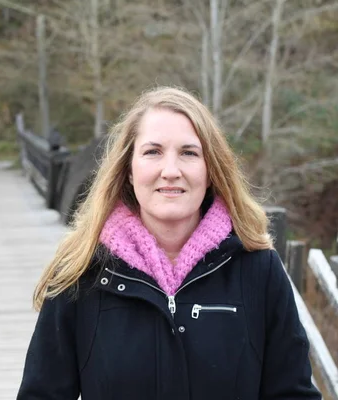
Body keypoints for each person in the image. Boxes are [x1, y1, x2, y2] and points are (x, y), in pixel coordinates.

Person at [16, 86, 321, 399]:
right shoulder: (82, 271)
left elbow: (292, 393)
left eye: (189, 153)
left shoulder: (259, 270)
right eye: (153, 152)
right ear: (130, 171)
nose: (171, 171)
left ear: (210, 170)